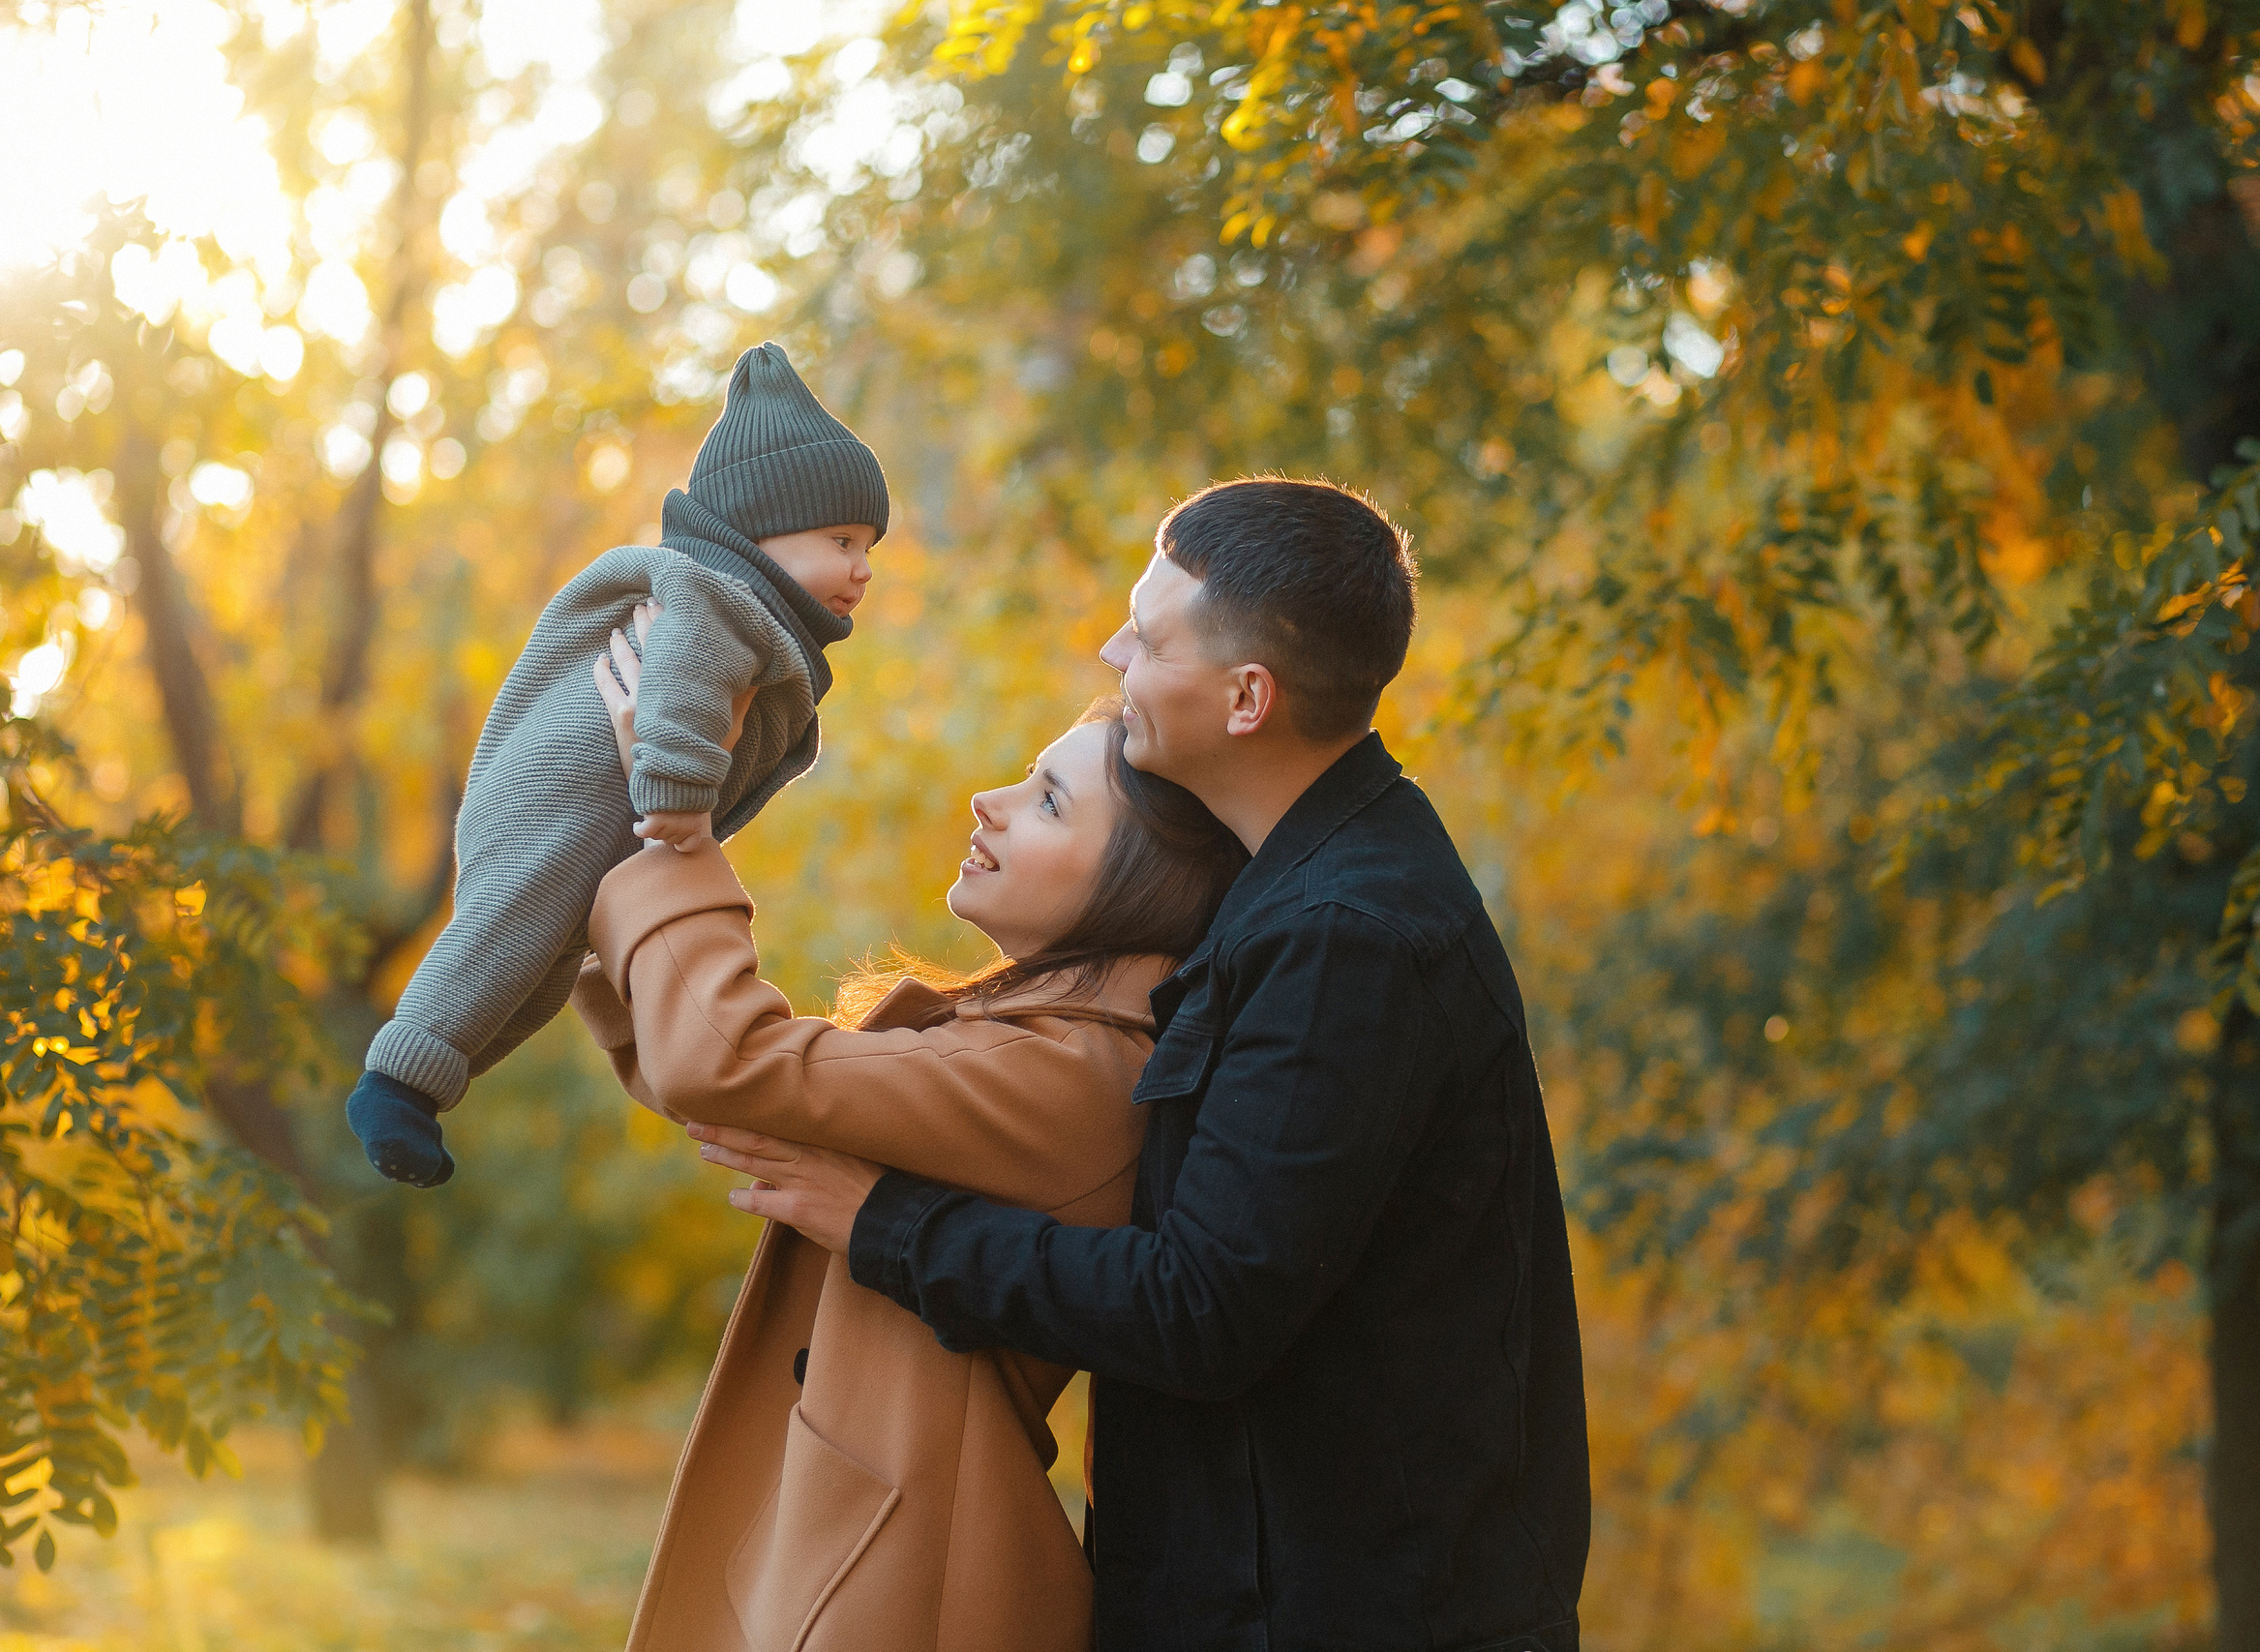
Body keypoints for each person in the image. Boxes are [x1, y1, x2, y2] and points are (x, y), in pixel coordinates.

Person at [696, 478, 1593, 1652]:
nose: (1114, 652)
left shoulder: (1347, 939)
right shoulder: (1293, 896)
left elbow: (1201, 1310)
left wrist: (889, 1227)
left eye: (1150, 637)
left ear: (1247, 698)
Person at [572, 618, 1248, 1652]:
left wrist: (677, 832)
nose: (989, 801)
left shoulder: (1073, 1072)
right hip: (867, 1542)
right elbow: (736, 1087)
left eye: (1049, 801)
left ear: (1138, 883)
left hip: (903, 1581)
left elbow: (727, 1059)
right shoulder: (1043, 1042)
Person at [347, 341, 888, 1186]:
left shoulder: (753, 619)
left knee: (540, 969)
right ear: (758, 531)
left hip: (593, 816)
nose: (862, 567)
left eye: (870, 547)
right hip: (564, 790)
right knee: (509, 928)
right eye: (842, 538)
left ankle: (435, 1087)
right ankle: (395, 1080)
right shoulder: (716, 597)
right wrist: (676, 794)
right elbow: (683, 682)